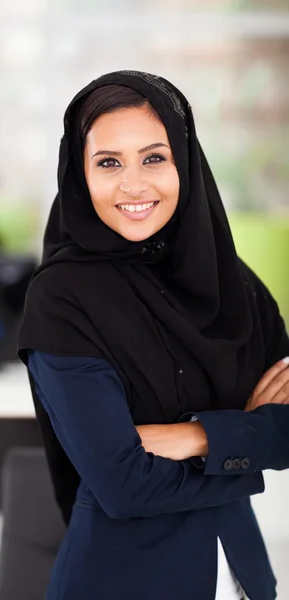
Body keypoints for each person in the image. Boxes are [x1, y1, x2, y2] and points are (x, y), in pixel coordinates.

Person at [17, 71, 289, 600]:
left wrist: (194, 437)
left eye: (154, 157)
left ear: (184, 162)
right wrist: (246, 438)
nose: (134, 184)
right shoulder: (62, 298)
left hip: (243, 576)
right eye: (109, 163)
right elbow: (122, 484)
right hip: (122, 581)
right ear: (80, 174)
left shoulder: (233, 284)